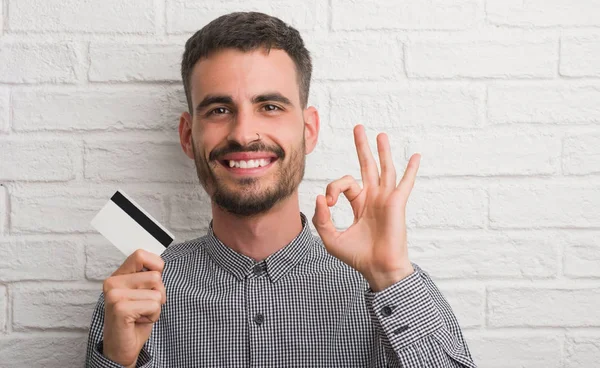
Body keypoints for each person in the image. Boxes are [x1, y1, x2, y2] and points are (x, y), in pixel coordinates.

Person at [85, 11, 477, 368]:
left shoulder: (389, 285)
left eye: (270, 106)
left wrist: (391, 276)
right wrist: (118, 360)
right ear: (189, 136)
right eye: (220, 110)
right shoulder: (134, 297)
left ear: (308, 131)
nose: (243, 133)